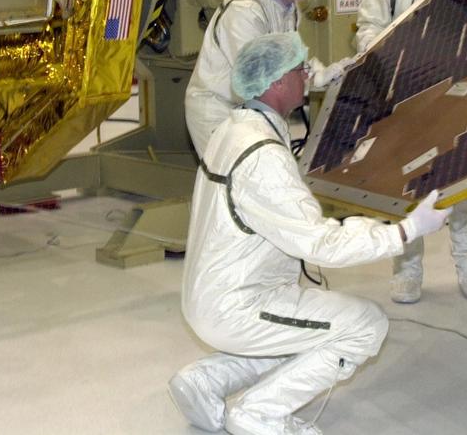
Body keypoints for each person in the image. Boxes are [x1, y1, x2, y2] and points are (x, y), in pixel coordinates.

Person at [169, 32, 450, 435]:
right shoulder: (262, 154)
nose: (307, 74)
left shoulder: (234, 129)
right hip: (238, 304)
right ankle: (259, 413)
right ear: (276, 82)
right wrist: (405, 230)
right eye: (299, 68)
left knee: (308, 329)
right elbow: (321, 244)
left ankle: (204, 382)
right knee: (365, 325)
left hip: (214, 294)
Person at [356, 0, 467, 305]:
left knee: (463, 185)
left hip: (455, 98)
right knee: (406, 187)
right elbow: (367, 29)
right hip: (404, 99)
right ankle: (407, 271)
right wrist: (394, 58)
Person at [184, 0, 349, 155]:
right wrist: (309, 82)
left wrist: (321, 74)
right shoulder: (245, 11)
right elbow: (257, 78)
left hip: (254, 110)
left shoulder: (288, 8)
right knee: (232, 178)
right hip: (219, 110)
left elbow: (289, 58)